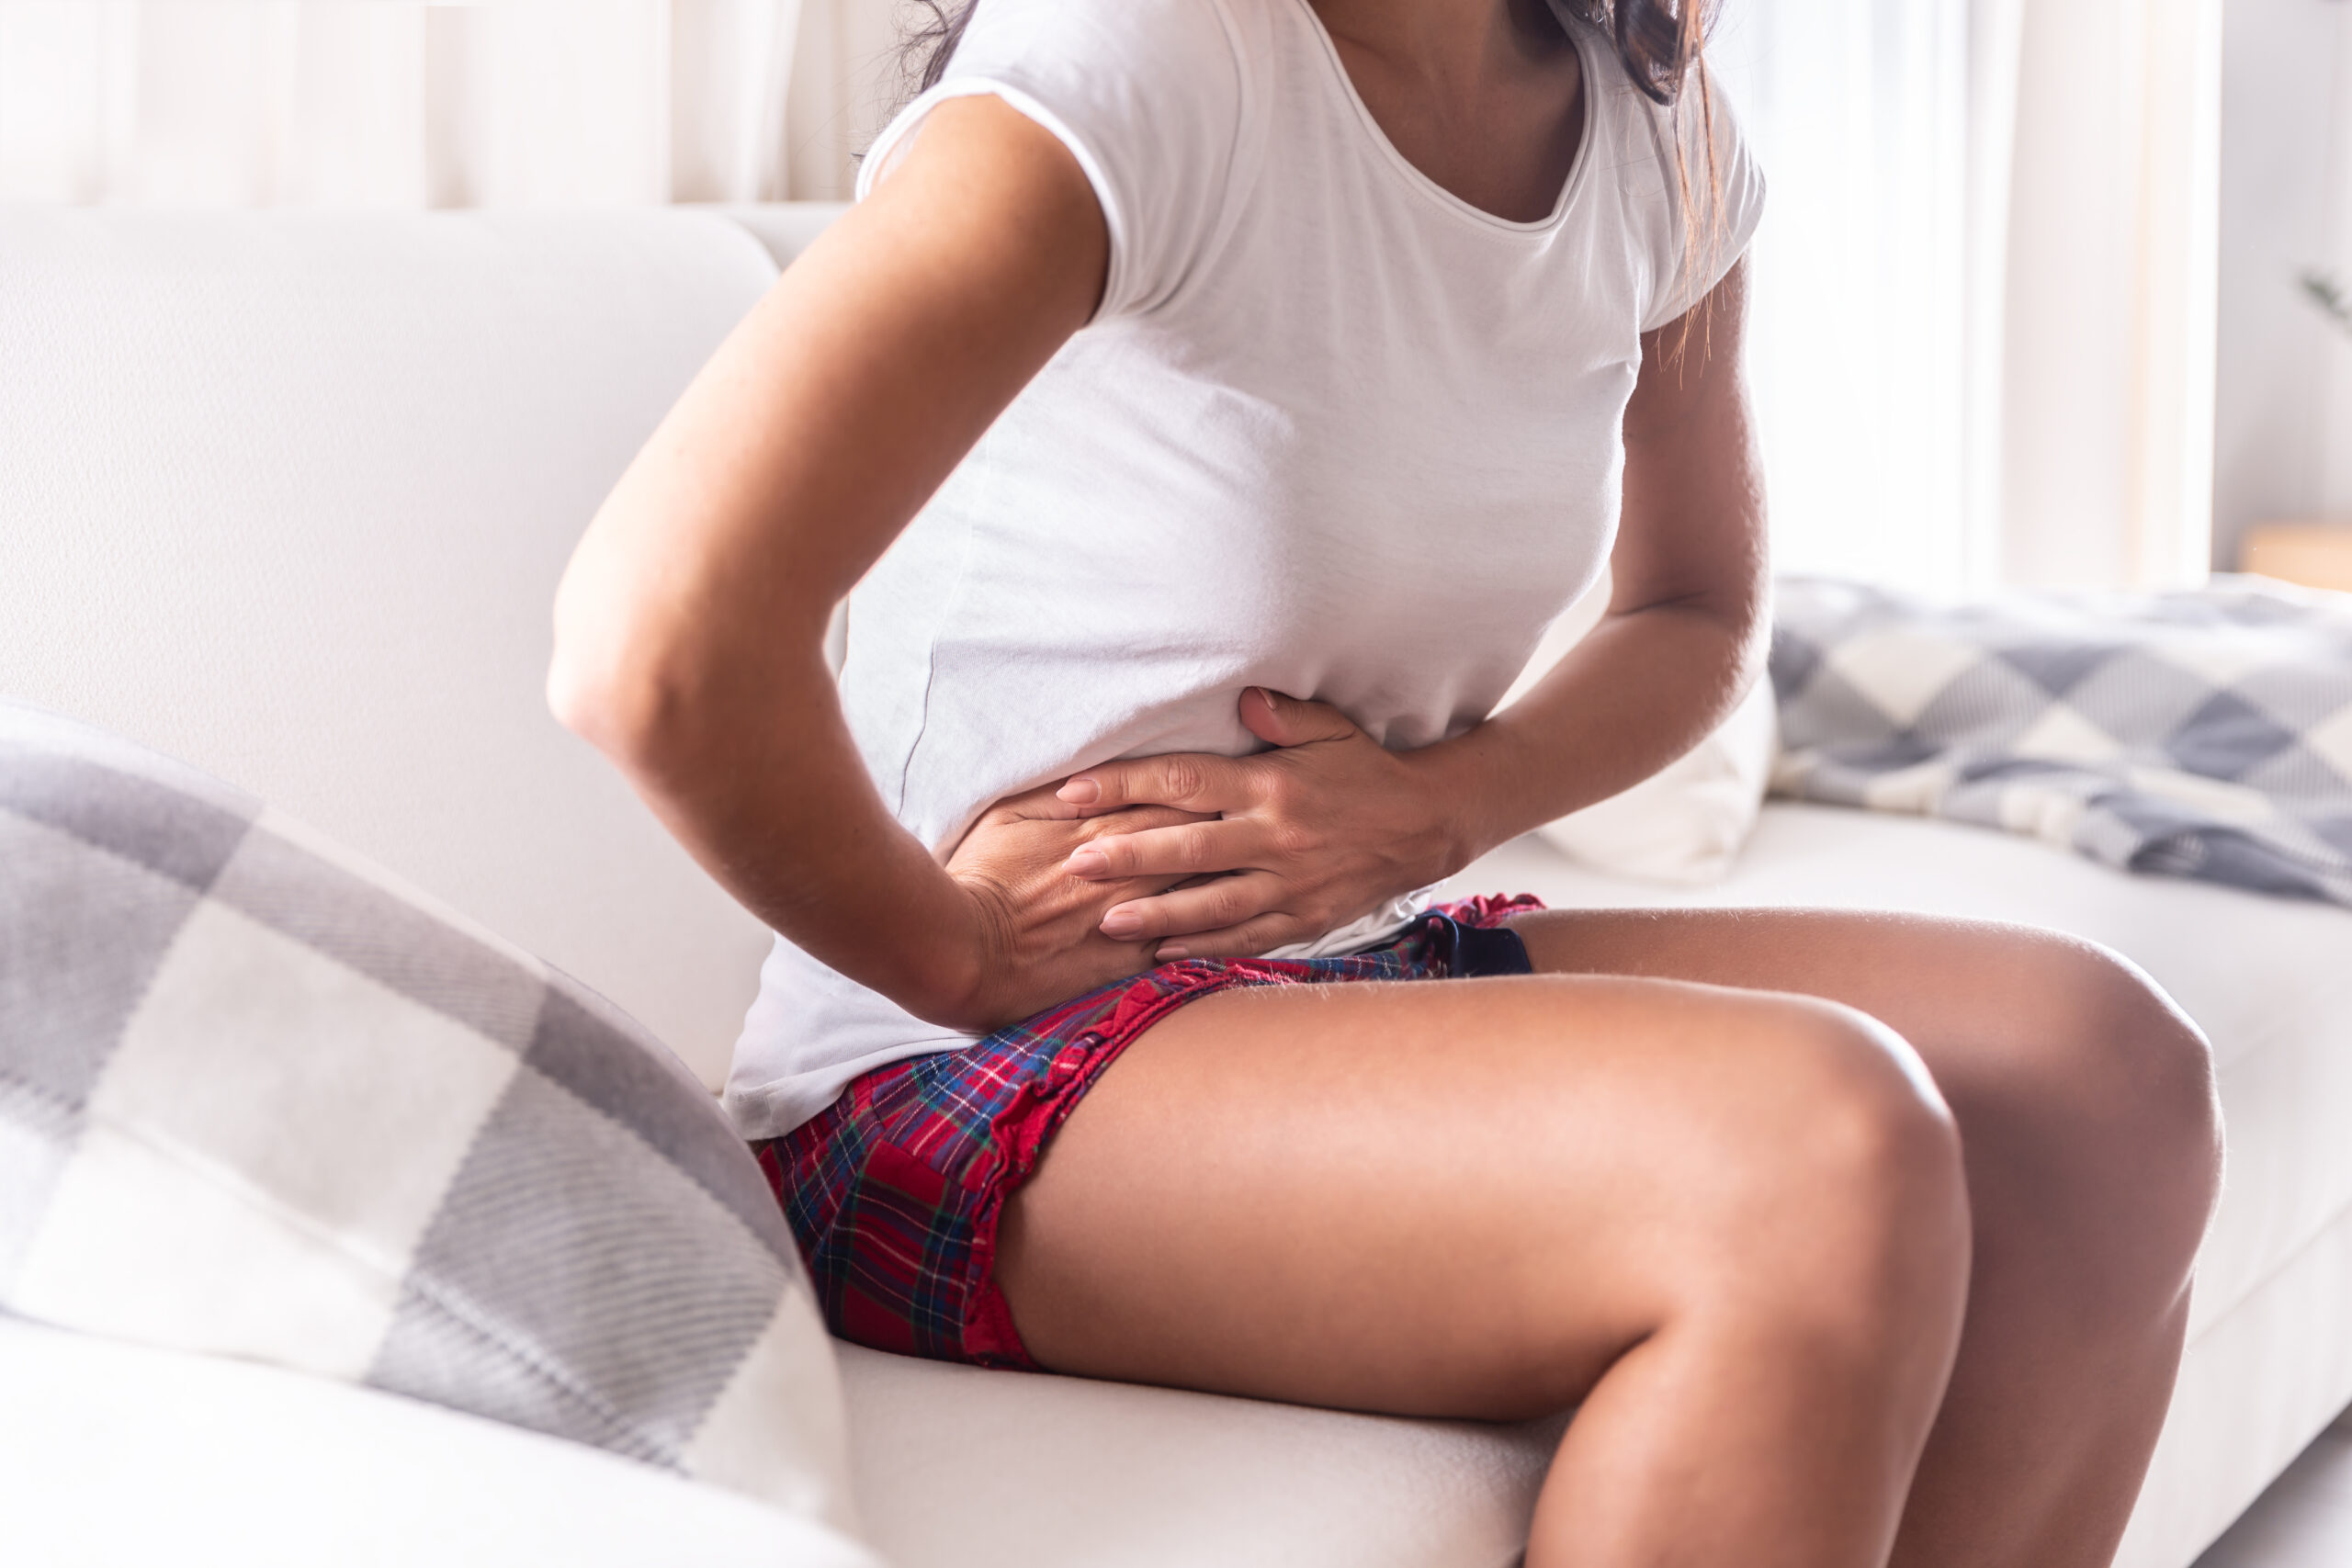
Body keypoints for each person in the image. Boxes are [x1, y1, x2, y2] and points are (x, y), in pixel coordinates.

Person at [548, 0, 2222, 1561]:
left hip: (1334, 975)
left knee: (2105, 1080)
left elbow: (1695, 608)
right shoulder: (1151, 59)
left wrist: (1447, 804)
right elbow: (659, 647)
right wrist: (956, 951)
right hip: (956, 1083)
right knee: (1815, 1152)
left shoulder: (1655, 131)